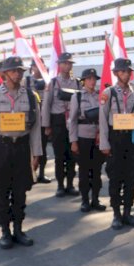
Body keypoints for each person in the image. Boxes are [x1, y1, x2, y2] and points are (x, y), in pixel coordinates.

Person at [0, 56, 42, 249]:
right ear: (4, 73)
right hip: (1, 147)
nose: (17, 74)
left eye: (20, 71)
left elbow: (36, 127)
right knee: (1, 191)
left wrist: (36, 153)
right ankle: (5, 232)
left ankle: (18, 230)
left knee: (20, 191)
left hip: (21, 148)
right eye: (14, 71)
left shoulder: (31, 96)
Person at [99, 58, 134, 230]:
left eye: (128, 71)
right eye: (122, 71)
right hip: (115, 139)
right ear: (115, 73)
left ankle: (128, 212)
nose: (125, 74)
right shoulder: (108, 93)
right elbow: (102, 121)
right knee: (115, 177)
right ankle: (116, 214)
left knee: (131, 177)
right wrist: (104, 144)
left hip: (133, 139)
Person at [41, 52, 80, 197]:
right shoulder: (53, 83)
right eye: (64, 63)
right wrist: (46, 125)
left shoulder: (76, 82)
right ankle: (60, 185)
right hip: (57, 121)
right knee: (59, 156)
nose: (67, 65)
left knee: (72, 154)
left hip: (73, 121)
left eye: (69, 63)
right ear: (59, 65)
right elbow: (46, 104)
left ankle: (70, 184)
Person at [68, 68, 106, 213]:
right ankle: (85, 200)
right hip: (82, 137)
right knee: (84, 171)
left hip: (97, 137)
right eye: (89, 79)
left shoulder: (101, 96)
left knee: (96, 171)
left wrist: (101, 134)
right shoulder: (77, 97)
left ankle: (95, 199)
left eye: (94, 79)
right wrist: (73, 141)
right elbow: (72, 120)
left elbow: (103, 118)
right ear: (83, 81)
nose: (92, 81)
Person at [27, 59, 52, 184]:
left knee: (42, 148)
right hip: (28, 120)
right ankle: (30, 173)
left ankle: (41, 173)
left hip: (42, 120)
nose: (38, 69)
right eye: (36, 66)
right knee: (28, 149)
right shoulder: (25, 81)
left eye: (41, 66)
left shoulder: (49, 82)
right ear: (31, 68)